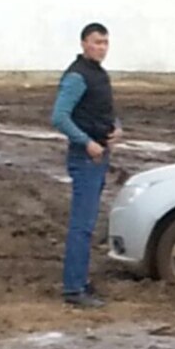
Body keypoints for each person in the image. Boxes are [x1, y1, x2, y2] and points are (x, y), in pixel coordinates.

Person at [51, 23, 122, 308]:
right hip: (86, 157)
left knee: (88, 224)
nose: (102, 47)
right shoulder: (77, 77)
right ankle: (73, 288)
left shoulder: (97, 75)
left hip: (100, 155)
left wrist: (117, 128)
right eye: (96, 42)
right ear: (83, 44)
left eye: (105, 42)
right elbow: (59, 116)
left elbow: (103, 111)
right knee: (81, 226)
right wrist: (87, 143)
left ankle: (79, 280)